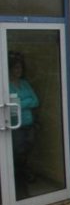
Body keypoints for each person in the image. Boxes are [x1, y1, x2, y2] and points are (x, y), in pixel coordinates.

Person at [8, 51, 39, 189]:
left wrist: (21, 103)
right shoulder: (5, 85)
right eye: (15, 68)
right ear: (9, 69)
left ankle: (21, 172)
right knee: (18, 150)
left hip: (29, 123)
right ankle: (18, 174)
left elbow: (36, 101)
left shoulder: (25, 83)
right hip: (16, 125)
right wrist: (24, 102)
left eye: (20, 68)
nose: (18, 70)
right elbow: (10, 106)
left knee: (28, 149)